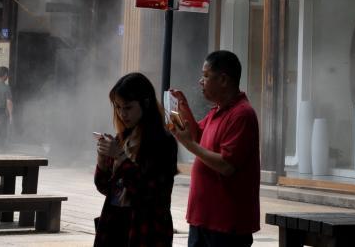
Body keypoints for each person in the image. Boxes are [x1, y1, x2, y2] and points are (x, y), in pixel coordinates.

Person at [170, 50, 260, 247]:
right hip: (203, 218)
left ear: (223, 80)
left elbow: (227, 165)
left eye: (205, 76)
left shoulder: (242, 114)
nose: (201, 81)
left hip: (226, 223)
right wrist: (183, 106)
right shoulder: (217, 111)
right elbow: (199, 136)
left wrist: (190, 146)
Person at [94, 72, 178, 247]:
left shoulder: (163, 142)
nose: (122, 114)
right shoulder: (122, 137)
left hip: (145, 230)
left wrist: (120, 157)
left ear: (145, 103)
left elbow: (149, 192)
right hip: (115, 225)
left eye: (128, 107)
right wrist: (102, 161)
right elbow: (106, 189)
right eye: (118, 107)